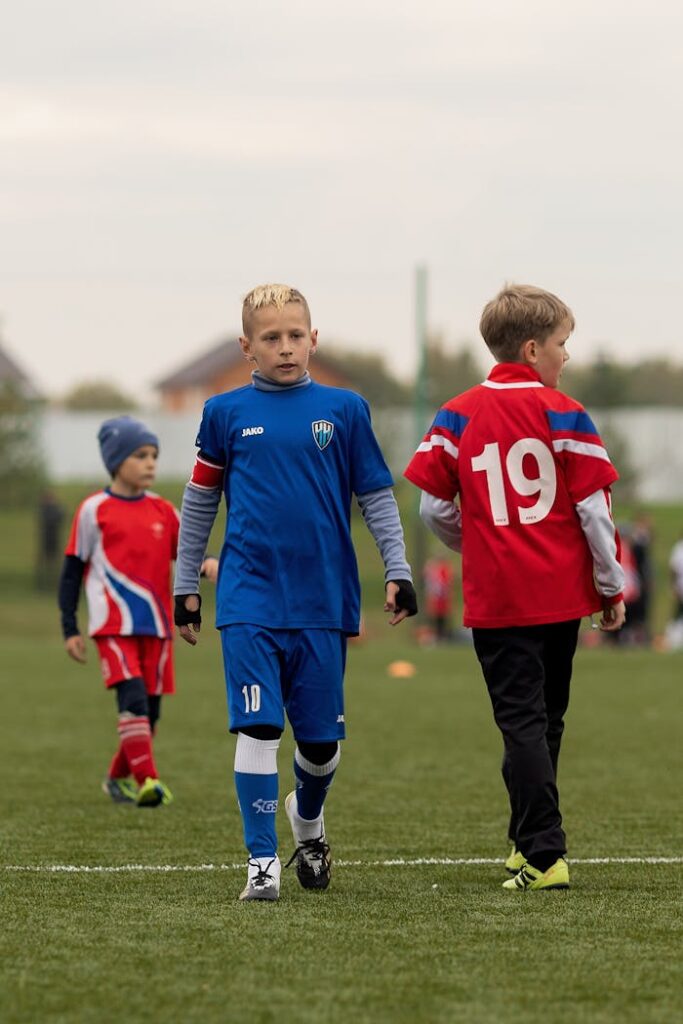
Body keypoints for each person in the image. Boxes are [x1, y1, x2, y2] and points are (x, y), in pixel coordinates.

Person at [174, 283, 417, 902]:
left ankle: (307, 822)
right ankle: (262, 861)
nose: (286, 347)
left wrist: (398, 567)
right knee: (257, 729)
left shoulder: (345, 409)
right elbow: (199, 502)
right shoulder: (223, 413)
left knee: (321, 746)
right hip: (249, 597)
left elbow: (377, 497)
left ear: (315, 337)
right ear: (246, 347)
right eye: (271, 338)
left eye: (296, 335)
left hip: (322, 602)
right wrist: (185, 586)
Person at [405, 283, 625, 892]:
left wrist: (476, 542)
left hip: (499, 596)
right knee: (545, 721)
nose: (567, 357)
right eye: (562, 344)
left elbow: (431, 511)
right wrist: (610, 585)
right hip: (559, 596)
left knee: (523, 722)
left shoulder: (456, 413)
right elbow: (595, 511)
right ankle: (531, 842)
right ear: (532, 349)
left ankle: (541, 851)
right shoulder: (567, 413)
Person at [58, 416, 205, 808]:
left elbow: (188, 554)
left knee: (149, 715)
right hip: (113, 625)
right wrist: (69, 627)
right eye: (140, 455)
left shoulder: (164, 511)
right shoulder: (94, 510)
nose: (150, 463)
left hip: (157, 627)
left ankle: (116, 778)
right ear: (117, 460)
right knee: (134, 701)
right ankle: (149, 781)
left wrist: (211, 564)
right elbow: (72, 571)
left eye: (154, 455)